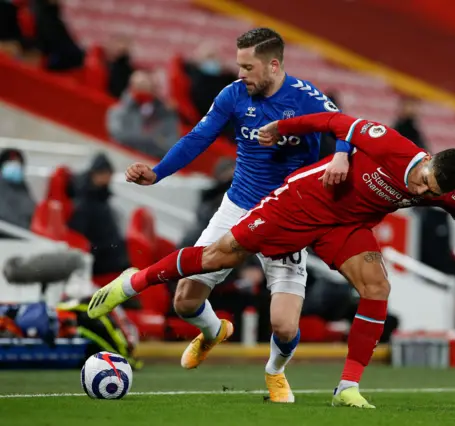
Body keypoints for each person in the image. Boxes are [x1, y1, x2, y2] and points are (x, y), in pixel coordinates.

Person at [89, 111, 455, 408]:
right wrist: (298, 135)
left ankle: (346, 387)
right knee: (221, 254)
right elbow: (334, 121)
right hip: (304, 202)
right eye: (423, 182)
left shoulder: (445, 194)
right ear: (428, 161)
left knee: (377, 287)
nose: (421, 191)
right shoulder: (393, 146)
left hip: (345, 228)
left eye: (431, 191)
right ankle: (134, 282)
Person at [100, 28, 350, 403]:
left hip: (287, 215)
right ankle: (214, 331)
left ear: (274, 65)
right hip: (238, 205)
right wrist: (158, 172)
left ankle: (275, 372)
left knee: (284, 326)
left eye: (248, 67)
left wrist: (342, 156)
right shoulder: (233, 95)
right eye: (238, 65)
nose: (240, 74)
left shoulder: (306, 98)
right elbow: (196, 139)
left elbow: (348, 127)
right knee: (184, 301)